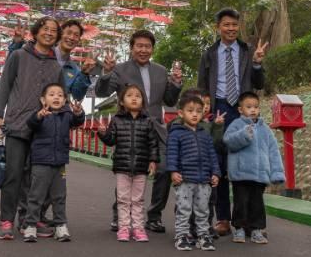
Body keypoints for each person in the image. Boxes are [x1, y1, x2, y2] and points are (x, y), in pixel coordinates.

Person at [96, 29, 183, 233]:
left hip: (157, 129)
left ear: (152, 48)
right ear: (132, 48)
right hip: (130, 126)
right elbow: (102, 92)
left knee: (164, 170)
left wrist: (177, 83)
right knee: (129, 170)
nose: (143, 50)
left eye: (148, 46)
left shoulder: (161, 71)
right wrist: (107, 73)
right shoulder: (120, 69)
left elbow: (170, 101)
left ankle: (154, 216)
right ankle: (120, 215)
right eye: (139, 46)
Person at [196, 8, 268, 235]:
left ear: (239, 26)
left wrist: (257, 64)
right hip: (219, 112)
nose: (231, 29)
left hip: (242, 110)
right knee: (219, 166)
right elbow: (201, 86)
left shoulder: (247, 51)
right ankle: (224, 219)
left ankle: (244, 220)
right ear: (218, 27)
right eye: (226, 25)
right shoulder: (209, 53)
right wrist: (204, 112)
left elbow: (259, 83)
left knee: (244, 166)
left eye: (234, 25)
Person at [0, 17, 64, 240]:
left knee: (34, 179)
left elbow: (62, 98)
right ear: (36, 32)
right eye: (45, 29)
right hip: (16, 124)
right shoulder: (18, 56)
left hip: (43, 130)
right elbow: (4, 84)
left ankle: (27, 220)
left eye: (53, 31)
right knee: (13, 175)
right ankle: (7, 220)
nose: (49, 33)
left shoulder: (56, 66)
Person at [23, 83, 85, 243]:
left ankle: (60, 226)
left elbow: (77, 121)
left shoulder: (67, 116)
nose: (56, 97)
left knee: (59, 196)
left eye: (60, 95)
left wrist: (78, 113)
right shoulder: (40, 115)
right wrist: (38, 116)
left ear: (65, 100)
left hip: (59, 163)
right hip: (40, 162)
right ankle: (30, 226)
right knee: (36, 195)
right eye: (51, 94)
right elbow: (31, 124)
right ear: (43, 100)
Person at [97, 84, 159, 243]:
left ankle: (138, 228)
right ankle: (124, 227)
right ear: (122, 101)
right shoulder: (116, 120)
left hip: (141, 166)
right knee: (123, 199)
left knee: (138, 200)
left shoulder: (148, 121)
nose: (134, 98)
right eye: (130, 95)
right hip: (122, 167)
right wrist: (103, 133)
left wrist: (153, 160)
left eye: (137, 96)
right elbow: (111, 141)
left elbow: (153, 143)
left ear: (142, 102)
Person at [223, 92, 285, 244]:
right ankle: (239, 229)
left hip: (260, 174)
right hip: (241, 174)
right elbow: (228, 141)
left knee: (257, 204)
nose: (253, 110)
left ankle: (256, 229)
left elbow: (273, 151)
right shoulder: (236, 125)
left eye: (256, 107)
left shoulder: (265, 129)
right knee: (241, 202)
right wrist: (244, 135)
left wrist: (276, 172)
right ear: (240, 110)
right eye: (248, 107)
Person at [169, 89, 225, 242]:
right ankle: (182, 234)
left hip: (203, 180)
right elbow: (172, 154)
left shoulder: (204, 133)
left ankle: (203, 235)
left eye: (199, 111)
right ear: (181, 113)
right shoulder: (176, 132)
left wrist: (215, 173)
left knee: (203, 209)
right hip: (185, 179)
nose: (195, 114)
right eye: (190, 111)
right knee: (184, 209)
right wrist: (173, 171)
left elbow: (212, 155)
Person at [10, 19, 96, 101]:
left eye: (76, 35)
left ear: (78, 40)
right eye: (68, 33)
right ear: (60, 34)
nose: (71, 37)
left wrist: (84, 73)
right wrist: (16, 44)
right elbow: (11, 68)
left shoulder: (74, 70)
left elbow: (77, 96)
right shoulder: (39, 53)